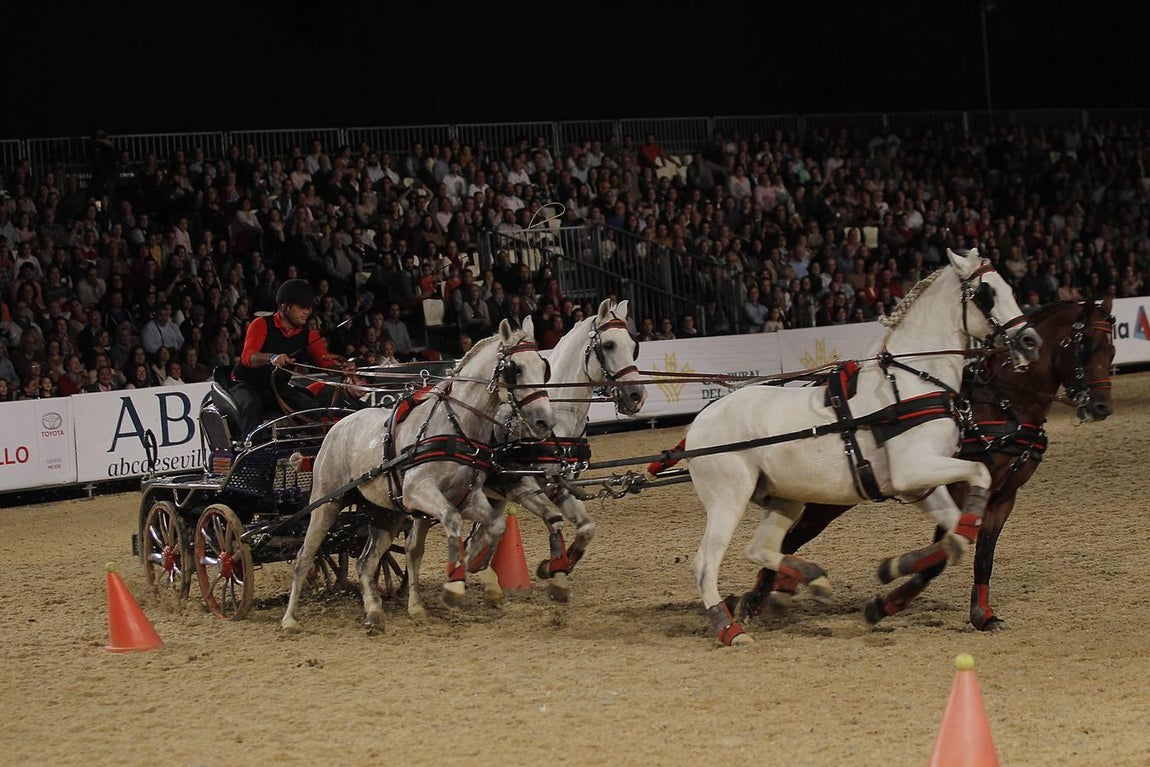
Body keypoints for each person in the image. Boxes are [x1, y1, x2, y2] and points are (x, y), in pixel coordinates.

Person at [228, 278, 348, 437]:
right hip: (245, 384)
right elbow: (248, 357)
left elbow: (326, 364)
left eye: (309, 307)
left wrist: (342, 368)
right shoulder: (261, 324)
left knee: (310, 407)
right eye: (301, 307)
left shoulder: (309, 335)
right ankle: (251, 447)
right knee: (250, 405)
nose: (307, 312)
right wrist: (272, 358)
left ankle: (312, 447)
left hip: (277, 388)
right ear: (285, 307)